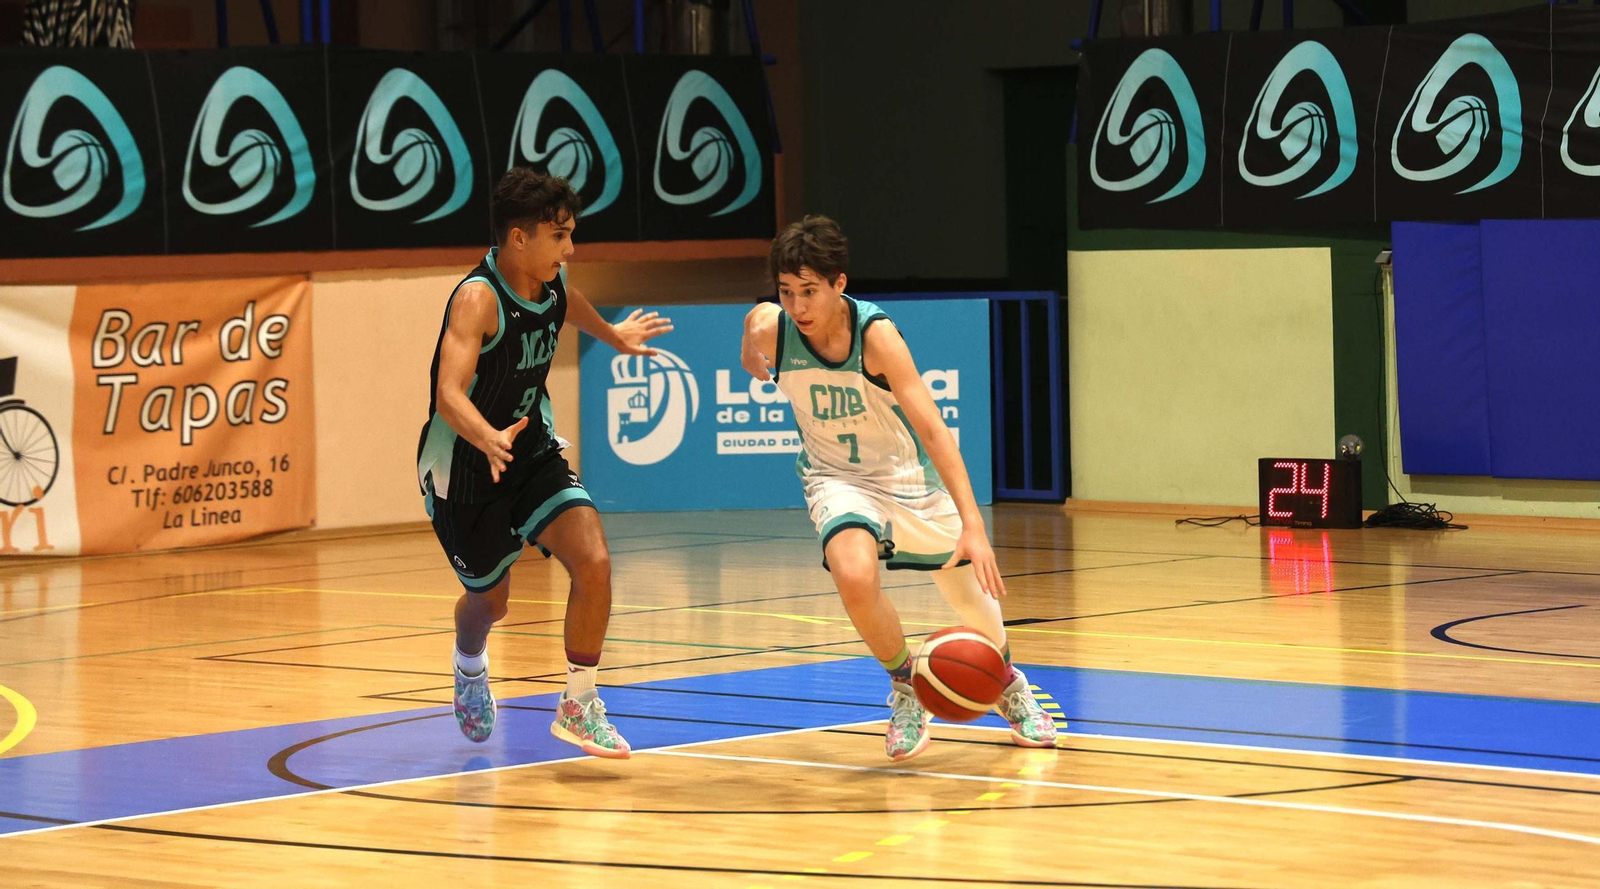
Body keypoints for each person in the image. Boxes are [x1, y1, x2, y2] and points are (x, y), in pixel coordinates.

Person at [739, 215, 1057, 761]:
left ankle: (1008, 686)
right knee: (853, 573)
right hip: (836, 479)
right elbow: (755, 327)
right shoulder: (774, 325)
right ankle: (907, 688)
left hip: (910, 481)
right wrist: (752, 355)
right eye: (787, 292)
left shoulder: (877, 338)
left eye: (810, 292)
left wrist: (975, 525)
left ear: (840, 284)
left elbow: (933, 428)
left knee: (974, 609)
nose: (798, 307)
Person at [417, 168, 672, 757]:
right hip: (466, 468)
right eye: (559, 236)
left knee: (595, 559)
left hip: (529, 450)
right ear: (518, 239)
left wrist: (612, 335)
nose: (570, 248)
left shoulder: (552, 280)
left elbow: (568, 304)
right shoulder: (476, 299)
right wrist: (486, 438)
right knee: (491, 603)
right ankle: (470, 661)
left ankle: (579, 704)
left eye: (570, 234)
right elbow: (448, 395)